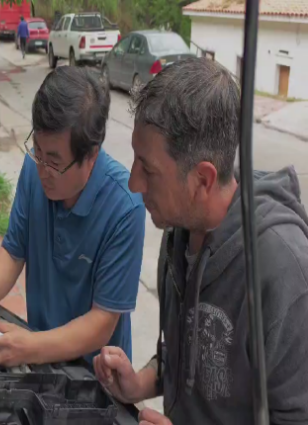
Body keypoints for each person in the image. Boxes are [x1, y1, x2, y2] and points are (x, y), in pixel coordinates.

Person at [94, 57, 308, 424]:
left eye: (149, 169)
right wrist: (138, 384)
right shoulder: (178, 232)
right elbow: (192, 355)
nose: (133, 182)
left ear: (203, 180)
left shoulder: (284, 273)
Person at [0, 66, 145, 368]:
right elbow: (13, 251)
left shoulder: (124, 207)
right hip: (39, 357)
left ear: (91, 156)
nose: (42, 170)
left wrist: (29, 346)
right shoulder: (34, 169)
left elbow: (102, 322)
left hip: (93, 376)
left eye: (54, 161)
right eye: (37, 150)